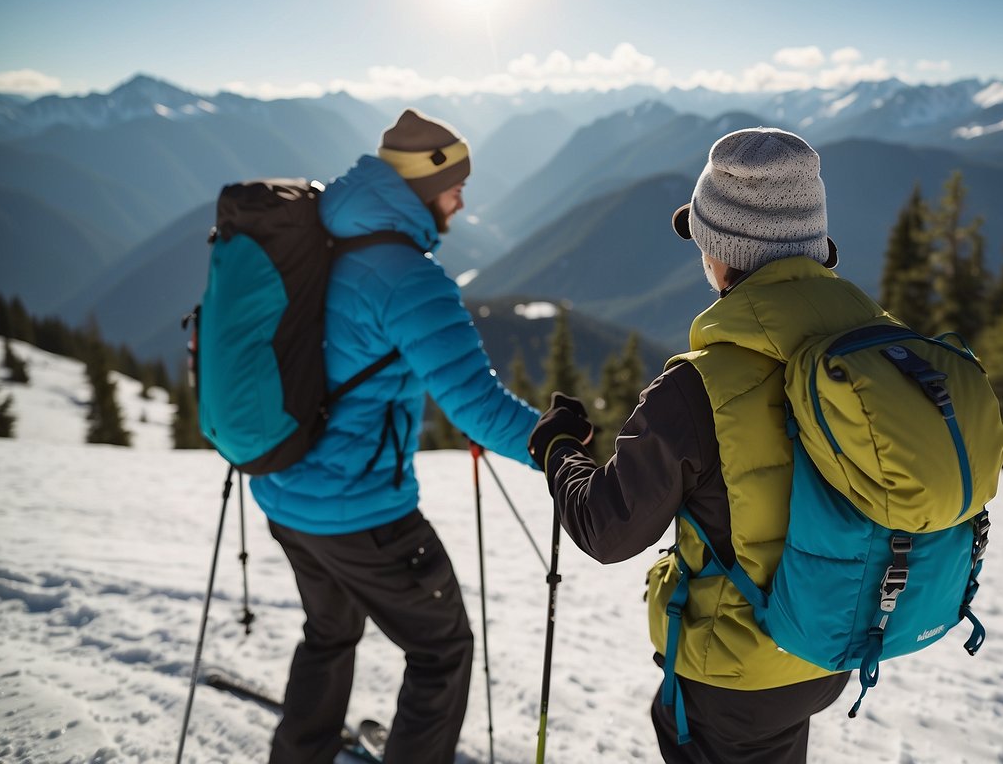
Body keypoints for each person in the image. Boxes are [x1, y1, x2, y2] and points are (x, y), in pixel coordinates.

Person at [527, 127, 863, 763]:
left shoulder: (697, 388)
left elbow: (607, 529)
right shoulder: (861, 350)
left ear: (724, 253)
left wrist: (558, 451)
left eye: (705, 243)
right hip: (830, 644)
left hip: (737, 669)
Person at [250, 109, 540, 764]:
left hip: (282, 491)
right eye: (453, 186)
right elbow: (479, 407)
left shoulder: (314, 238)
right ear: (416, 189)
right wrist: (557, 447)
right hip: (361, 511)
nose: (462, 199)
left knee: (328, 631)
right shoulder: (409, 278)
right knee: (441, 650)